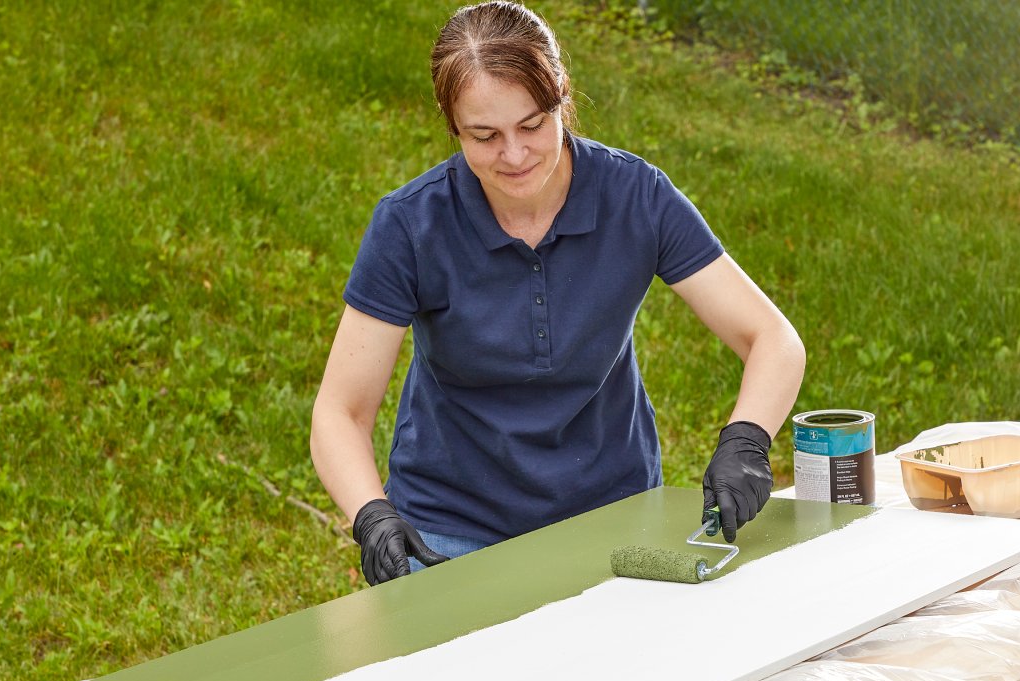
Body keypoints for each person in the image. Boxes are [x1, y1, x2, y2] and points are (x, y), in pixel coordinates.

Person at [310, 0, 805, 586]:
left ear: (561, 98)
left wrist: (746, 441)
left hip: (615, 514)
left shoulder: (635, 197)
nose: (515, 156)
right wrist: (374, 517)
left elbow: (771, 337)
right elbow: (340, 411)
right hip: (448, 530)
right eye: (485, 136)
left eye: (532, 124)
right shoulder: (411, 225)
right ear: (452, 127)